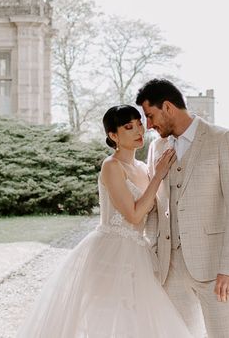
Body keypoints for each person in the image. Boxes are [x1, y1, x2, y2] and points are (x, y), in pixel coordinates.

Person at [16, 104, 194, 338]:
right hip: (111, 250)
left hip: (139, 251)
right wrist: (159, 174)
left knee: (136, 320)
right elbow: (133, 215)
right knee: (108, 318)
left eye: (139, 124)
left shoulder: (142, 168)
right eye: (129, 127)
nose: (139, 130)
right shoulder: (111, 166)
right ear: (113, 135)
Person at [138, 79, 229, 338]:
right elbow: (155, 206)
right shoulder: (157, 147)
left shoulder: (222, 139)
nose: (149, 125)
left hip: (214, 269)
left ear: (167, 107)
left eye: (150, 115)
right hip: (170, 268)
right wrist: (155, 257)